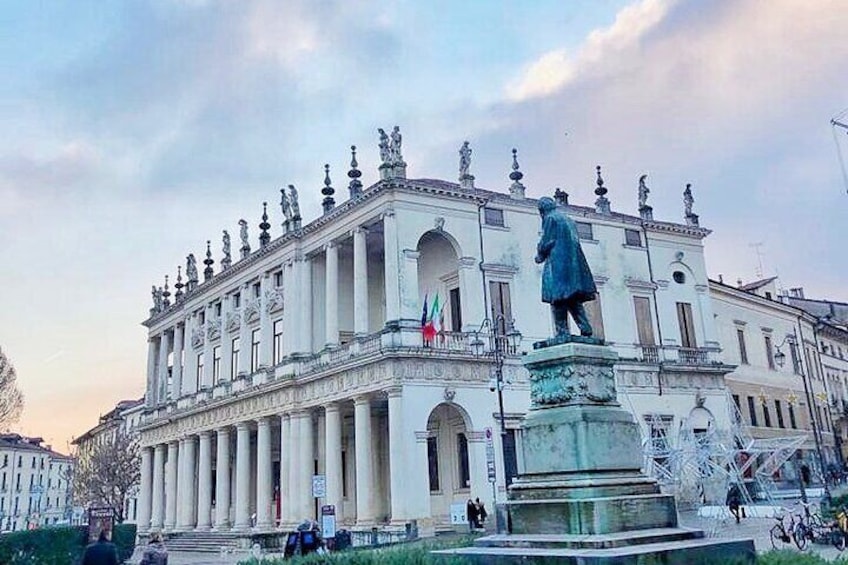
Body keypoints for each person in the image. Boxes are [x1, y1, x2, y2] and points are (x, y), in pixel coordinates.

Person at [534, 196, 597, 338]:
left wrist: (540, 254)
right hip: (574, 266)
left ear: (542, 210)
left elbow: (547, 241)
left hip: (558, 264)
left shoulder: (550, 218)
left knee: (557, 298)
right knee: (572, 298)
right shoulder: (569, 220)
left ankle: (562, 331)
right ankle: (585, 327)